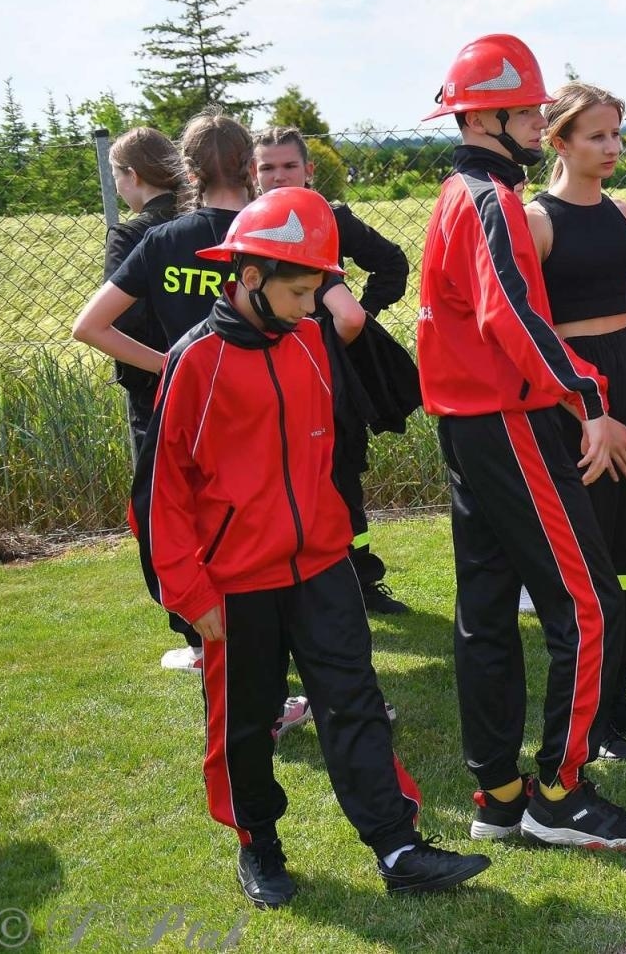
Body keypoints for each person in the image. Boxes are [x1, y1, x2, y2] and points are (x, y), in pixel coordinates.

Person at [128, 186, 491, 905]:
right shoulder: (191, 363)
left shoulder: (312, 343)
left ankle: (398, 847)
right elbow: (159, 495)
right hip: (235, 584)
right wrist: (189, 594)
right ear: (249, 279)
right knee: (244, 723)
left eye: (317, 291)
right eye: (299, 292)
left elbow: (349, 434)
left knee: (354, 701)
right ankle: (258, 846)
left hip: (323, 565)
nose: (310, 306)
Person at [416, 34, 626, 849]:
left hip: (469, 427)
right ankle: (559, 792)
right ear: (487, 116)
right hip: (506, 421)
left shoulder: (464, 190)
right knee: (587, 606)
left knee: (486, 612)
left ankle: (496, 797)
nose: (537, 120)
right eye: (527, 111)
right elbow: (511, 315)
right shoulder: (486, 198)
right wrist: (590, 396)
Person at [526, 82, 626, 760]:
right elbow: (529, 330)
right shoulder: (537, 221)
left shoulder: (621, 213)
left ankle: (620, 697)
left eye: (617, 134)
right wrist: (582, 406)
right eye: (596, 136)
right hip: (575, 393)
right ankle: (590, 713)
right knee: (592, 554)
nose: (613, 147)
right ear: (559, 141)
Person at [74, 109, 254, 675]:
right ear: (251, 166)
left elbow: (89, 326)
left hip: (187, 412)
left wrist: (174, 367)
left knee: (189, 524)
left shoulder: (159, 240)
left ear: (188, 171)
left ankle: (213, 647)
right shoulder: (273, 231)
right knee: (265, 531)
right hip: (263, 408)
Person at [252, 126, 412, 616]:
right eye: (267, 168)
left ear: (309, 171)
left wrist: (352, 328)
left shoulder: (331, 218)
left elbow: (392, 264)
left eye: (289, 166)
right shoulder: (244, 225)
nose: (279, 176)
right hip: (262, 375)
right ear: (252, 175)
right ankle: (282, 585)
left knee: (341, 473)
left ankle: (360, 578)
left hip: (327, 374)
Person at [102, 127, 184, 455]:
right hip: (221, 376)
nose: (118, 189)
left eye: (116, 177)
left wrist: (168, 366)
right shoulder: (205, 222)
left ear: (132, 175)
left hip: (156, 389)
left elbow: (120, 321)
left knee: (163, 494)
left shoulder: (129, 235)